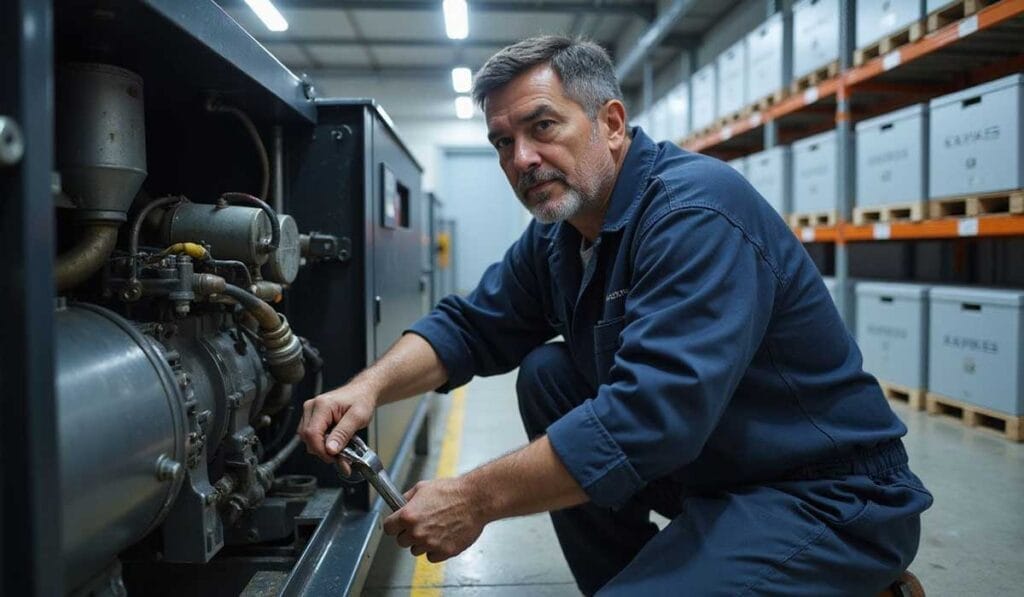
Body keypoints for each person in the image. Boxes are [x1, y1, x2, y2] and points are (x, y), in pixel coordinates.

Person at [298, 35, 932, 595]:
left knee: (579, 395)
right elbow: (471, 325)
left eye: (542, 126)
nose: (521, 158)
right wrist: (365, 388)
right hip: (717, 470)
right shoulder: (562, 233)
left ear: (611, 123)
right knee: (549, 373)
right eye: (503, 142)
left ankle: (856, 581)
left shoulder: (695, 214)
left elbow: (647, 421)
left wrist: (473, 499)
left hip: (823, 496)